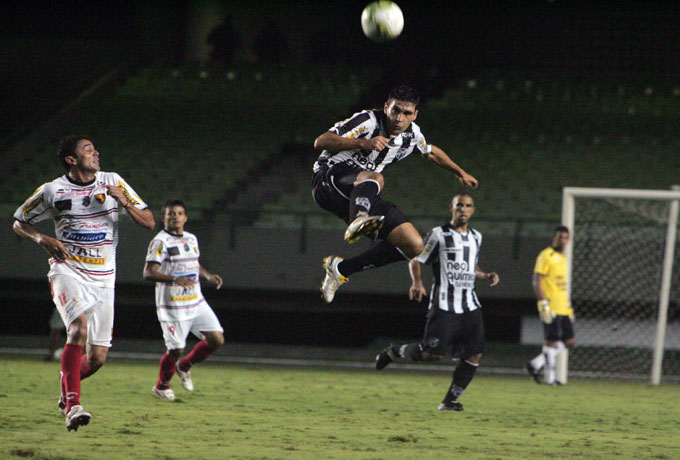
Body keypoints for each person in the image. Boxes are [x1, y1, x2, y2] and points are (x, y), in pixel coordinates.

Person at [12, 135, 155, 431]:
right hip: (68, 271)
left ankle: (67, 382)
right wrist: (44, 238)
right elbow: (19, 222)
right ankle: (74, 405)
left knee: (98, 357)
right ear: (71, 159)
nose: (96, 152)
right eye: (88, 149)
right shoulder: (52, 190)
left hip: (104, 278)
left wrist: (124, 201)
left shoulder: (112, 180)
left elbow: (149, 221)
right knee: (77, 330)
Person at [312, 85, 479, 303]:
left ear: (415, 114)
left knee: (414, 245)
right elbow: (321, 141)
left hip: (362, 192)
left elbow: (430, 151)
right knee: (376, 178)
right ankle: (359, 218)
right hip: (329, 181)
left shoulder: (411, 135)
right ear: (386, 107)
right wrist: (363, 142)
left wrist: (460, 172)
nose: (399, 118)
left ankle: (341, 269)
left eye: (407, 113)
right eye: (395, 110)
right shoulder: (368, 121)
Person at [375, 192, 499, 411]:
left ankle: (449, 402)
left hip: (471, 306)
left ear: (473, 210)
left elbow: (471, 266)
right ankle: (395, 351)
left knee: (474, 354)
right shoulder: (438, 234)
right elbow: (416, 258)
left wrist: (486, 275)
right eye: (459, 205)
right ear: (452, 208)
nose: (463, 209)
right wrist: (417, 282)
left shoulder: (476, 237)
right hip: (444, 305)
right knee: (431, 354)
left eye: (468, 205)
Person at [143, 199, 224, 401]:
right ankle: (161, 387)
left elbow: (193, 263)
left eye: (179, 213)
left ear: (185, 217)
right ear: (163, 218)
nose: (175, 217)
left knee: (216, 339)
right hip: (172, 305)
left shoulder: (191, 238)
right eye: (171, 213)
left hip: (196, 301)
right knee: (176, 349)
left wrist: (207, 276)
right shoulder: (160, 242)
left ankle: (184, 365)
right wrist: (175, 278)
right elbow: (148, 272)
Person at [526, 226, 574, 385]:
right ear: (554, 238)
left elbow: (562, 284)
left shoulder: (563, 258)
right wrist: (544, 303)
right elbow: (537, 280)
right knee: (551, 342)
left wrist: (569, 307)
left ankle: (535, 364)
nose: (563, 240)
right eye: (560, 237)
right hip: (550, 305)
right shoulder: (546, 255)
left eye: (566, 237)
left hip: (563, 306)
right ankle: (551, 379)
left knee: (569, 341)